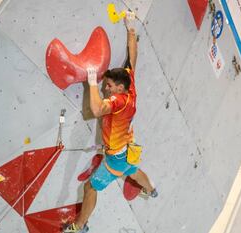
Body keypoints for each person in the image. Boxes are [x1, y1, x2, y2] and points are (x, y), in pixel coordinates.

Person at [63, 11, 157, 233]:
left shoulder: (117, 102)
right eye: (106, 85)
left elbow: (97, 108)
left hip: (115, 157)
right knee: (132, 170)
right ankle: (151, 190)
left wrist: (93, 81)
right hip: (128, 148)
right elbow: (132, 56)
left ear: (119, 89)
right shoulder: (129, 84)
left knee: (90, 187)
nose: (107, 88)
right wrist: (130, 28)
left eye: (109, 86)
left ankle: (79, 226)